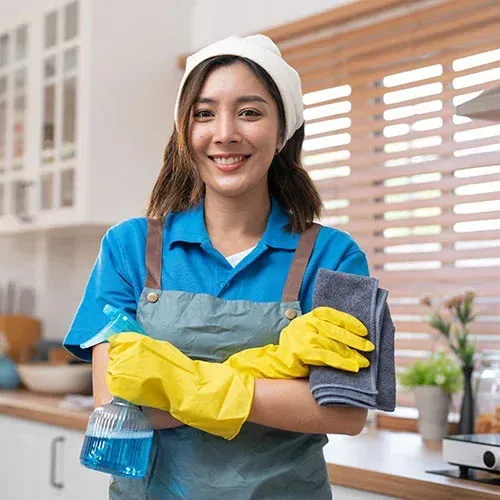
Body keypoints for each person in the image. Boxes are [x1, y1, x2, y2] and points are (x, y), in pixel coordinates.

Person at [63, 34, 375, 500]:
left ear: (283, 130)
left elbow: (344, 412)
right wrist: (277, 383)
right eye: (204, 113)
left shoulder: (336, 257)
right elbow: (115, 404)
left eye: (249, 112)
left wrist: (181, 382)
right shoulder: (128, 247)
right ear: (186, 133)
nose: (225, 132)